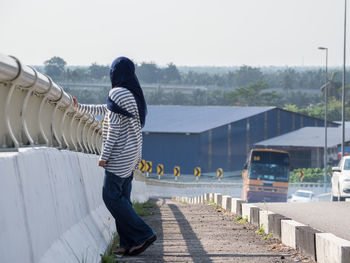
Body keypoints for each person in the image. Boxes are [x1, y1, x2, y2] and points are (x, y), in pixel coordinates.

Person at [73, 57, 156, 257]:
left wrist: (104, 156)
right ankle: (129, 243)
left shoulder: (117, 92)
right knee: (122, 199)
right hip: (133, 153)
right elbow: (106, 110)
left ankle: (144, 234)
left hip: (120, 154)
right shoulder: (132, 93)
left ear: (115, 73)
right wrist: (80, 107)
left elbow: (114, 130)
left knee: (110, 196)